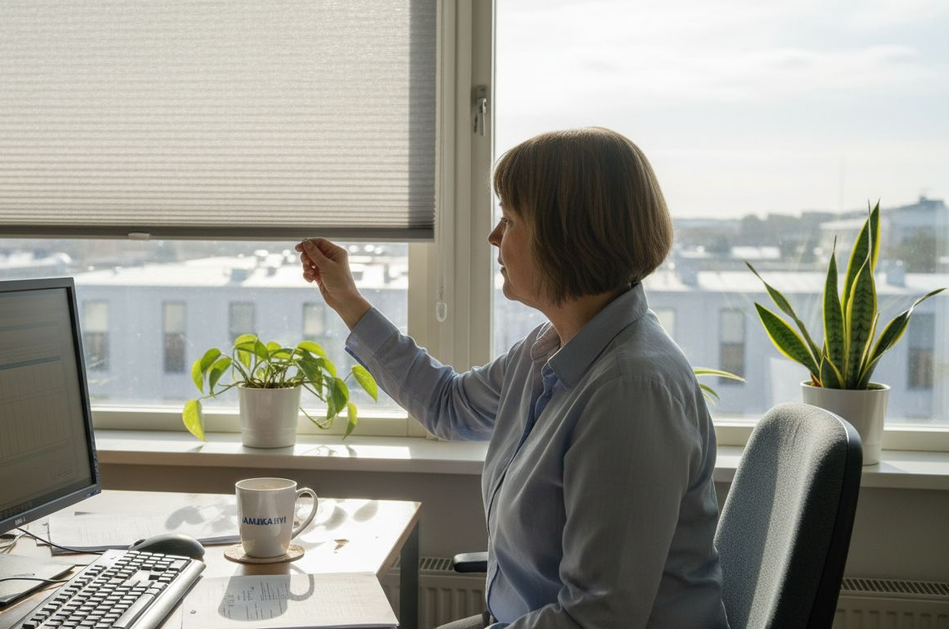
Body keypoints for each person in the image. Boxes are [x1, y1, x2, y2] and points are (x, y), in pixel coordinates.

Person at [295, 128, 728, 628]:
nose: (494, 237)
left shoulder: (631, 391)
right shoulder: (549, 348)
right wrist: (347, 299)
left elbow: (597, 620)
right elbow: (449, 405)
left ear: (566, 237)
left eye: (509, 219)